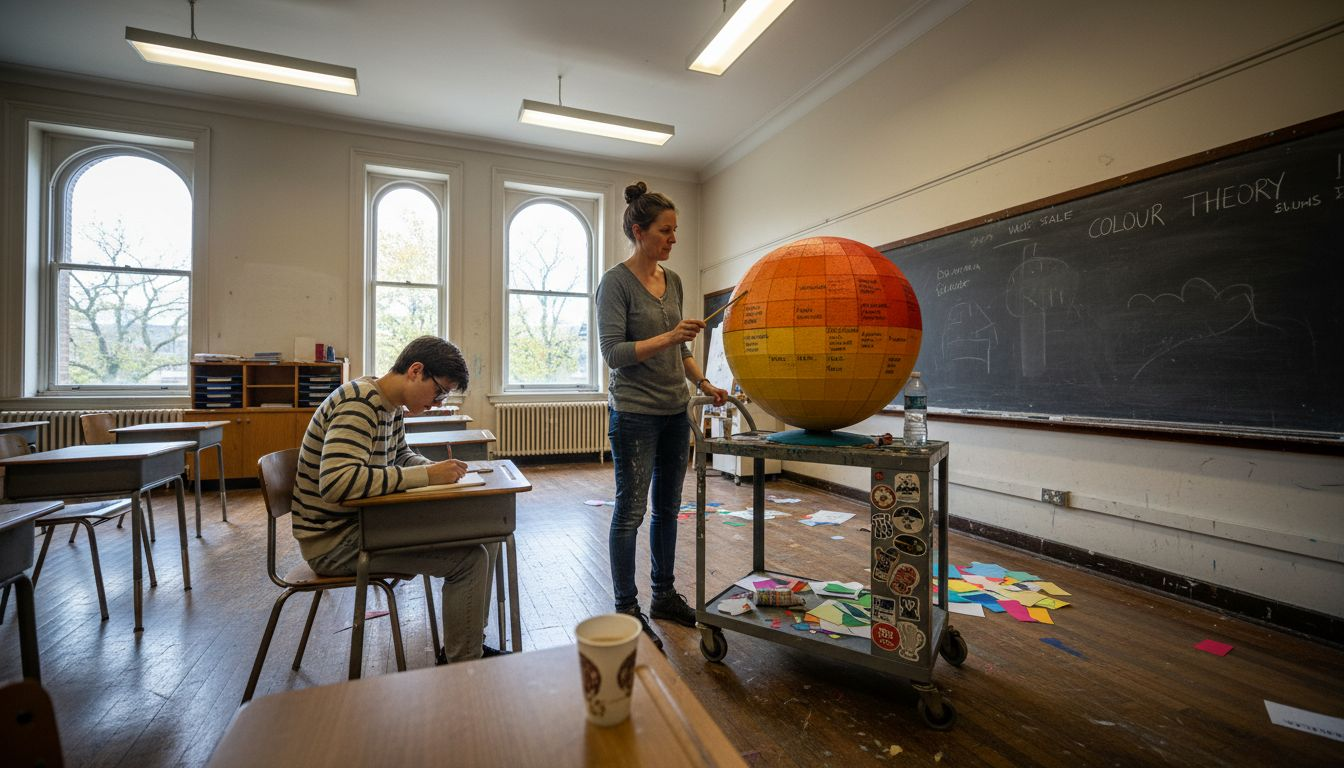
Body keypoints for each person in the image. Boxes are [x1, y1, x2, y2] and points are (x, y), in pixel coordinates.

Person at [290, 335, 502, 662]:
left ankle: (467, 643)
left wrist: (437, 468)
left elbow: (400, 457)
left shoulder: (389, 406)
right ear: (416, 371)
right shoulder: (359, 404)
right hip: (335, 541)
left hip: (366, 524)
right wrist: (428, 476)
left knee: (486, 533)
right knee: (469, 559)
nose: (440, 402)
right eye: (439, 392)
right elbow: (337, 482)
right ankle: (464, 665)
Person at [597, 181, 728, 646]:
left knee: (668, 510)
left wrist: (704, 382)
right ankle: (626, 606)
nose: (673, 239)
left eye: (676, 231)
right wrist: (671, 338)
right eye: (666, 231)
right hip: (634, 414)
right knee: (630, 513)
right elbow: (614, 353)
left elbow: (683, 349)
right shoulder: (615, 283)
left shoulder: (673, 281)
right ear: (639, 231)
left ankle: (663, 594)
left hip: (675, 412)